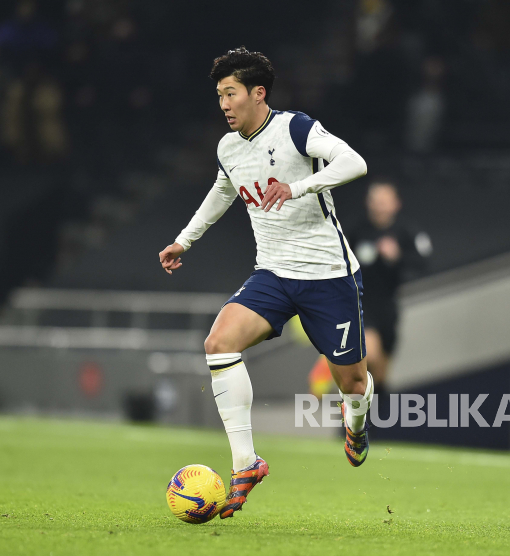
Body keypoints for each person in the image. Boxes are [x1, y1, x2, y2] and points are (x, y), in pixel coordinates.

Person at [158, 47, 370, 519]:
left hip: (328, 275)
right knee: (218, 342)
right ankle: (245, 464)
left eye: (230, 93)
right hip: (272, 273)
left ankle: (356, 424)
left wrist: (298, 187)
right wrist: (183, 241)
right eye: (219, 95)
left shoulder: (295, 128)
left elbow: (353, 163)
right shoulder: (228, 147)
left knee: (353, 385)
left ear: (258, 93)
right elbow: (222, 191)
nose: (223, 104)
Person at [350, 183, 431, 415]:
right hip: (362, 304)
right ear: (368, 203)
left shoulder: (406, 231)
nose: (380, 205)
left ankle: (372, 418)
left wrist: (398, 256)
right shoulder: (357, 231)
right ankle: (354, 415)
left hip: (389, 306)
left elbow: (424, 261)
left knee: (381, 372)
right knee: (370, 355)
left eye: (385, 200)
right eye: (375, 200)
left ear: (396, 204)